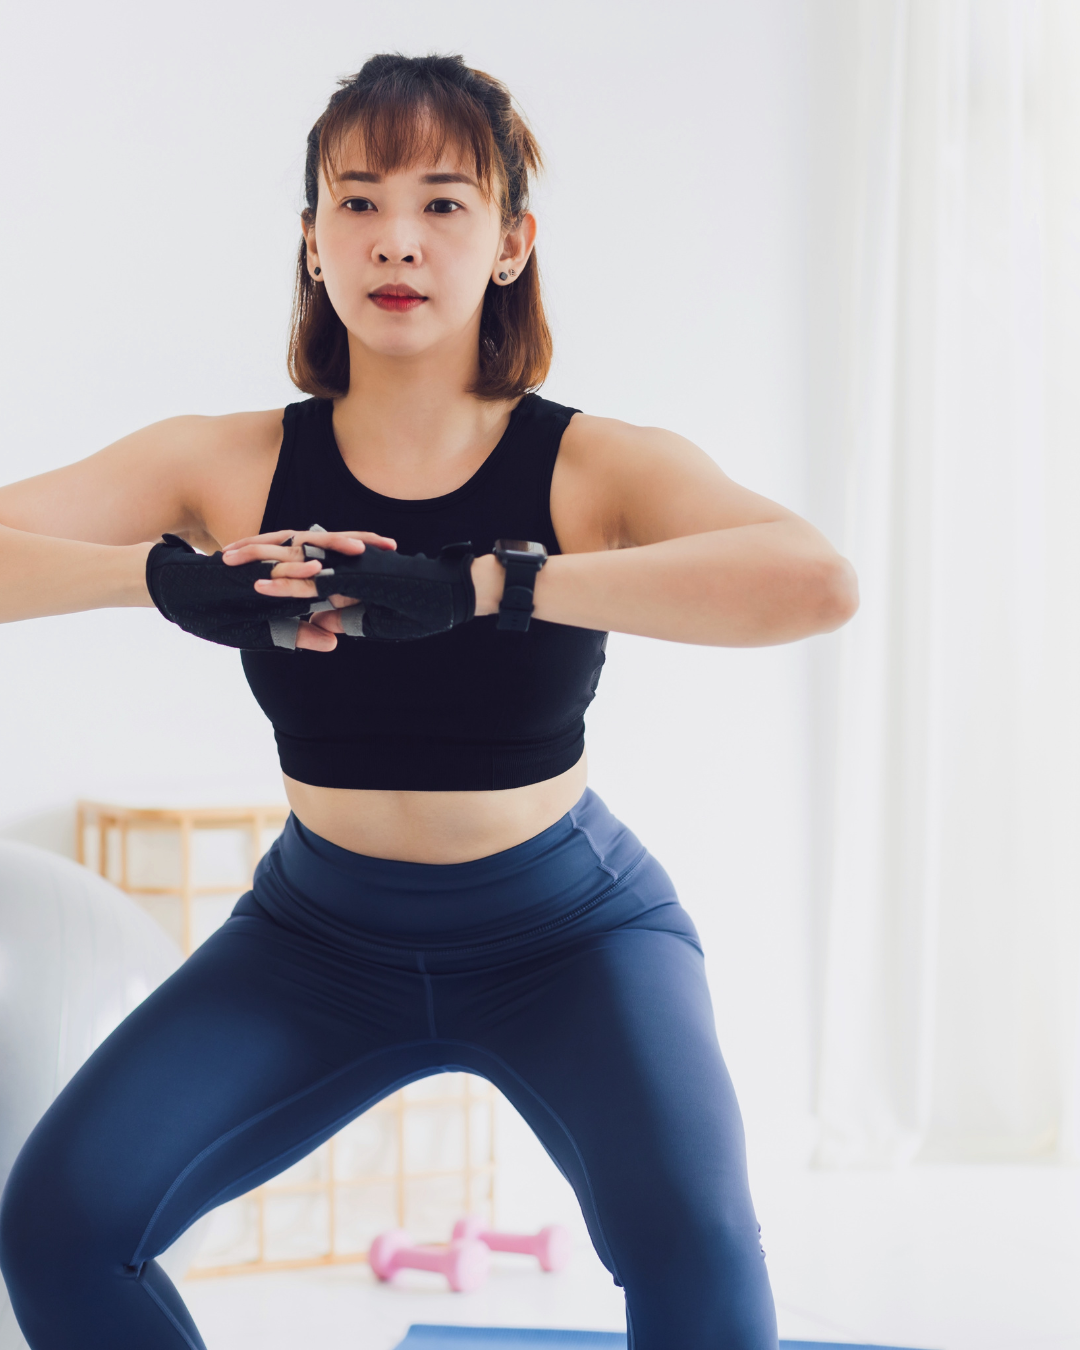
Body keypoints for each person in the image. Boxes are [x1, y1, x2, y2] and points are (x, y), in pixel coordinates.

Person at [0, 53, 857, 1350]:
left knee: (700, 1254)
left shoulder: (588, 464)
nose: (397, 238)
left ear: (512, 241)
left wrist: (491, 587)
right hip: (316, 942)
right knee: (58, 1227)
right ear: (312, 241)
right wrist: (163, 581)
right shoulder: (226, 464)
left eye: (445, 202)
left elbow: (815, 581)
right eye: (357, 201)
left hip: (572, 936)